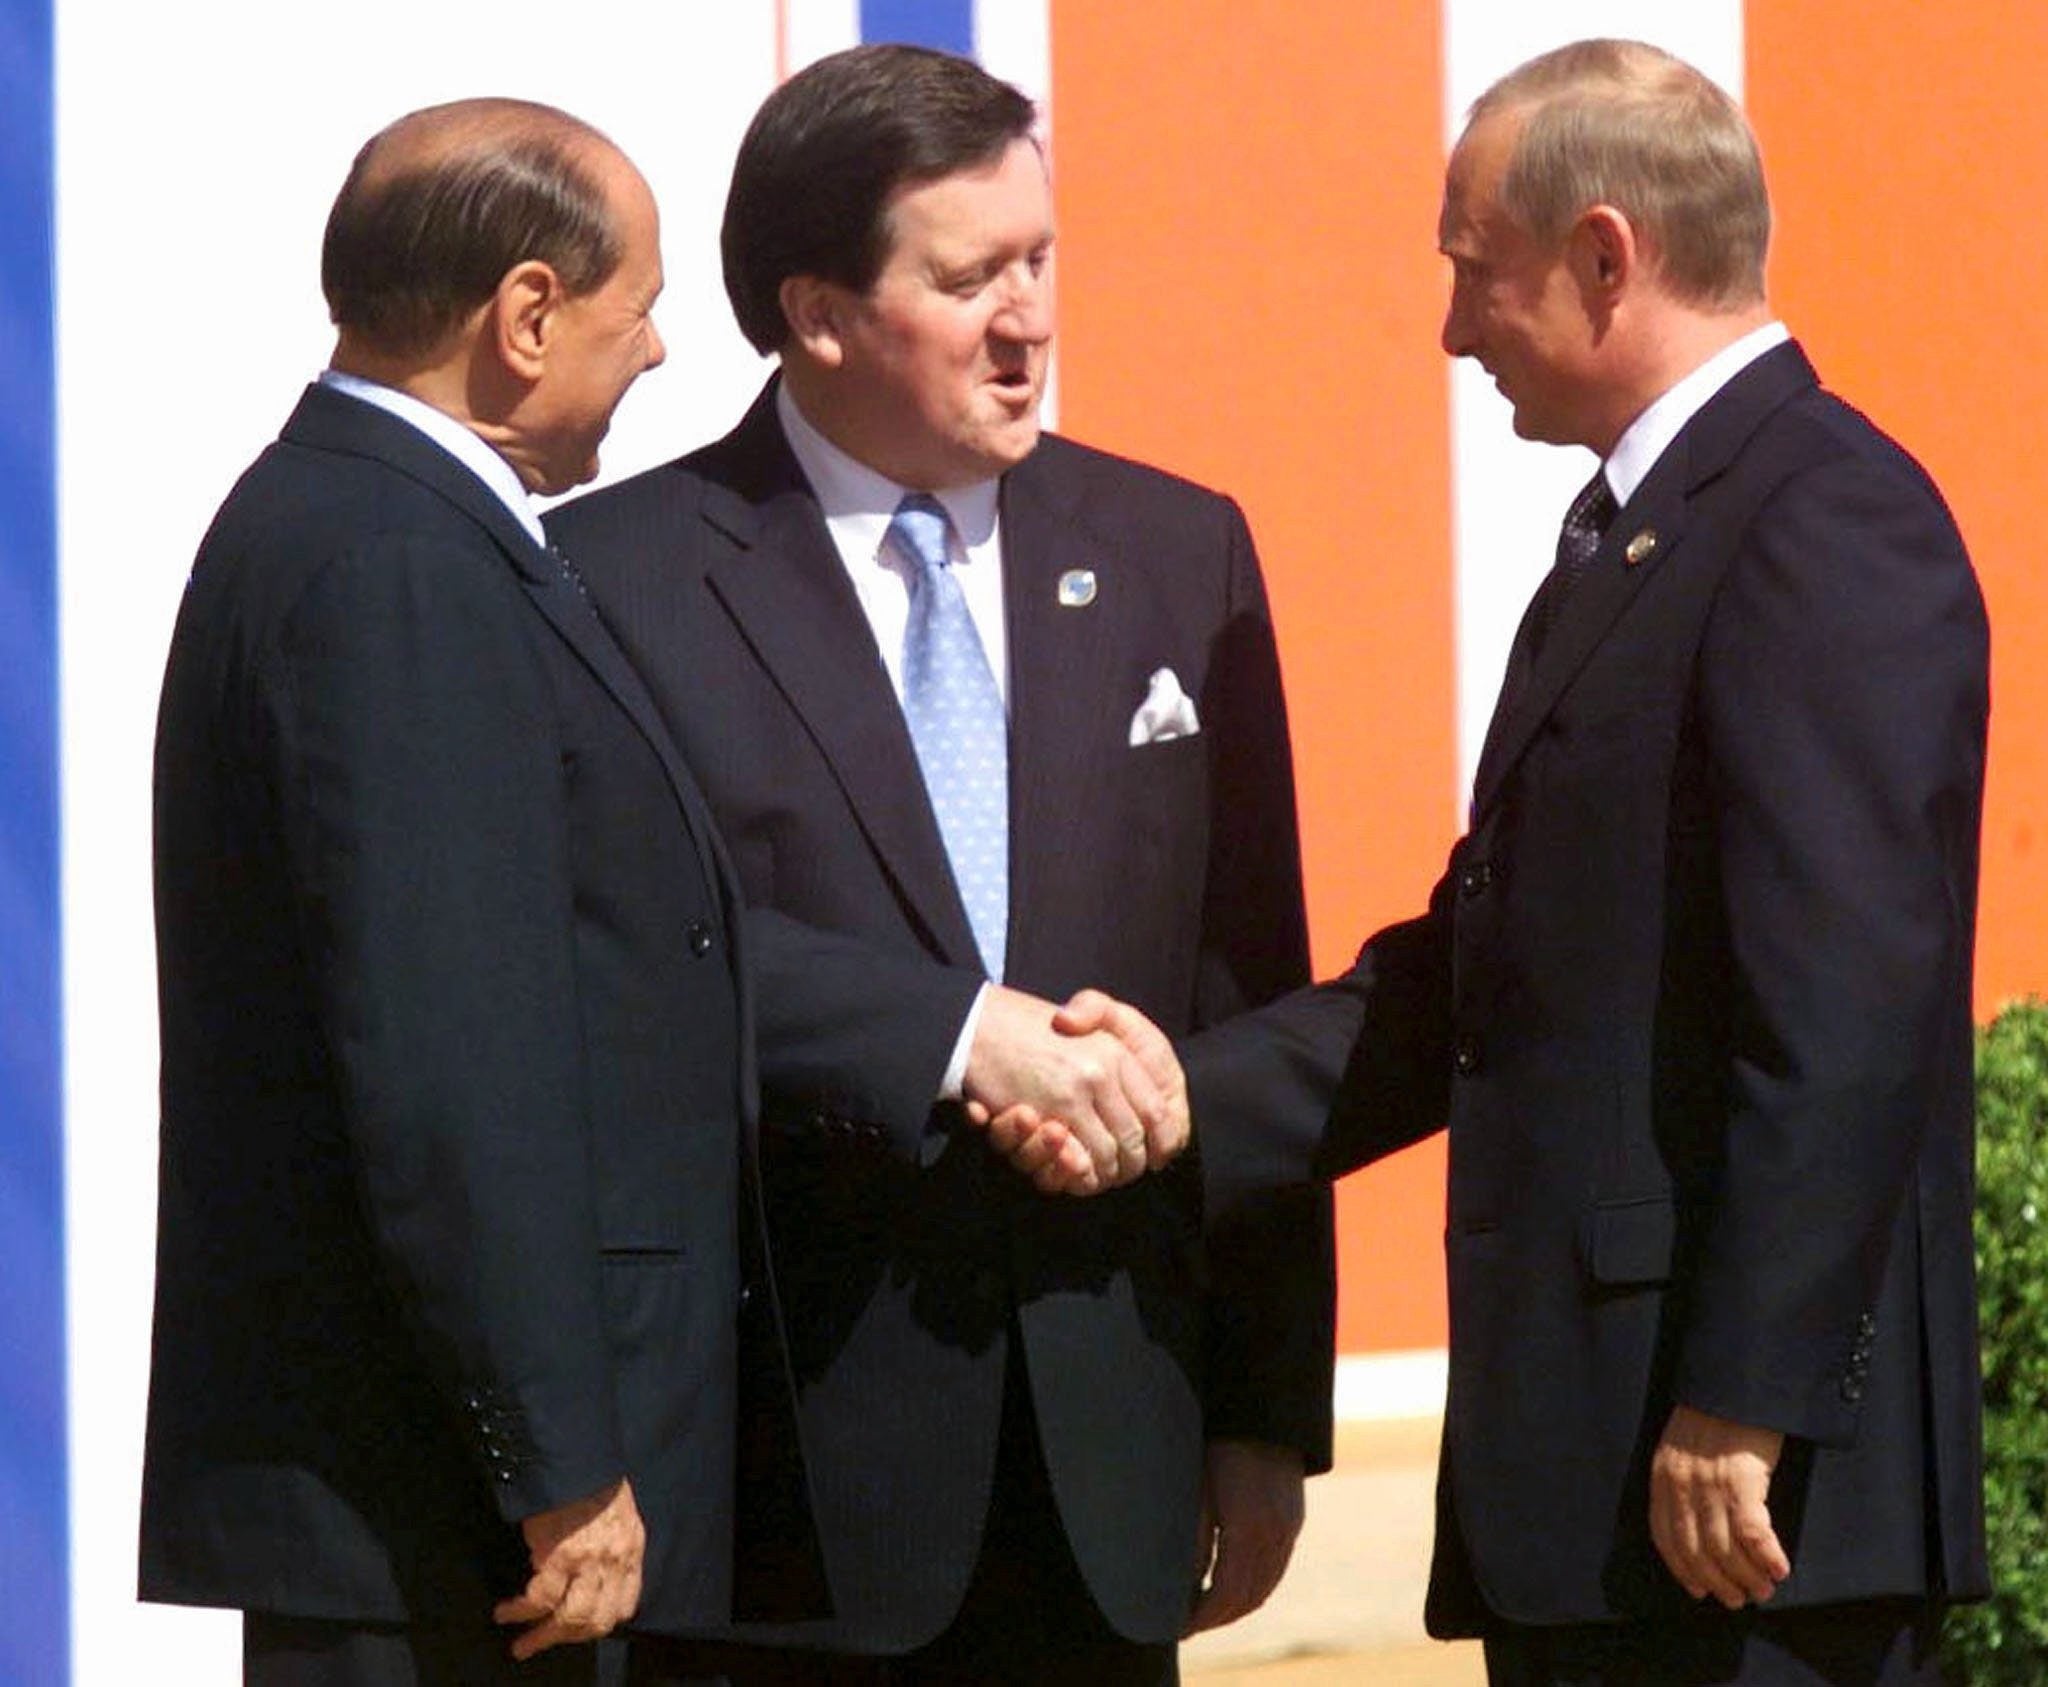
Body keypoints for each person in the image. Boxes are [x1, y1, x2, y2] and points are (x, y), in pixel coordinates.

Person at [1113, 37, 1987, 1687]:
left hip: (1733, 1503)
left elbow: (1848, 1000)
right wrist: (1164, 1103)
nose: (1451, 329)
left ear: (1605, 257)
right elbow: (1482, 971)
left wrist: (1747, 1396)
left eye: (1474, 271)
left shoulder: (1817, 519)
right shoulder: (1638, 537)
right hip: (1605, 1484)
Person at [546, 43, 1335, 1686]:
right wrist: (950, 1031)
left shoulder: (1178, 551)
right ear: (820, 311)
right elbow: (612, 972)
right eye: (970, 276)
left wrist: (1263, 1414)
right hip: (779, 1493)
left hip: (1107, 1469)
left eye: (1040, 260)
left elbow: (1244, 985)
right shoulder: (609, 583)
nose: (1029, 316)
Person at [140, 97, 943, 1687]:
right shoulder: (399, 566)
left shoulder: (369, 524)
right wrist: (557, 1465)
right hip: (455, 1524)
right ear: (524, 314)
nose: (656, 354)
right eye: (636, 308)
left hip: (445, 1495)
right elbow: (451, 1057)